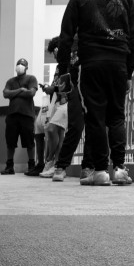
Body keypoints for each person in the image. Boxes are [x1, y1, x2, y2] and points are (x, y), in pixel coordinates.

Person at [57, 0, 134, 185]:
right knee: (116, 116)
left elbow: (65, 36)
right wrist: (129, 71)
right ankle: (120, 169)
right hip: (118, 64)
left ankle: (101, 171)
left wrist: (64, 70)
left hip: (91, 64)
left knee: (95, 117)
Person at [52, 35, 94, 182]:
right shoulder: (67, 49)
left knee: (92, 127)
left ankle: (87, 167)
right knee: (75, 127)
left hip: (92, 86)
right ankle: (61, 166)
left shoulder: (90, 42)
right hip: (75, 89)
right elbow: (64, 73)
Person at [1, 58, 38, 175]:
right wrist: (21, 90)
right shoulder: (10, 81)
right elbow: (5, 93)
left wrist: (14, 93)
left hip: (27, 115)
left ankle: (31, 165)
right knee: (10, 142)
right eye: (18, 64)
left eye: (22, 64)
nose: (20, 66)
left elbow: (31, 93)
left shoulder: (31, 78)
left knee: (29, 142)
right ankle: (9, 166)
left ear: (26, 67)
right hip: (12, 115)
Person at [39, 38, 70, 179]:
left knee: (52, 129)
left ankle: (53, 162)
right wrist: (48, 88)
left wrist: (54, 88)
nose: (55, 55)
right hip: (56, 102)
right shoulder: (59, 67)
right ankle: (55, 164)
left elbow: (67, 84)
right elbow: (55, 85)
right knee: (58, 133)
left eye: (56, 51)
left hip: (66, 102)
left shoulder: (70, 62)